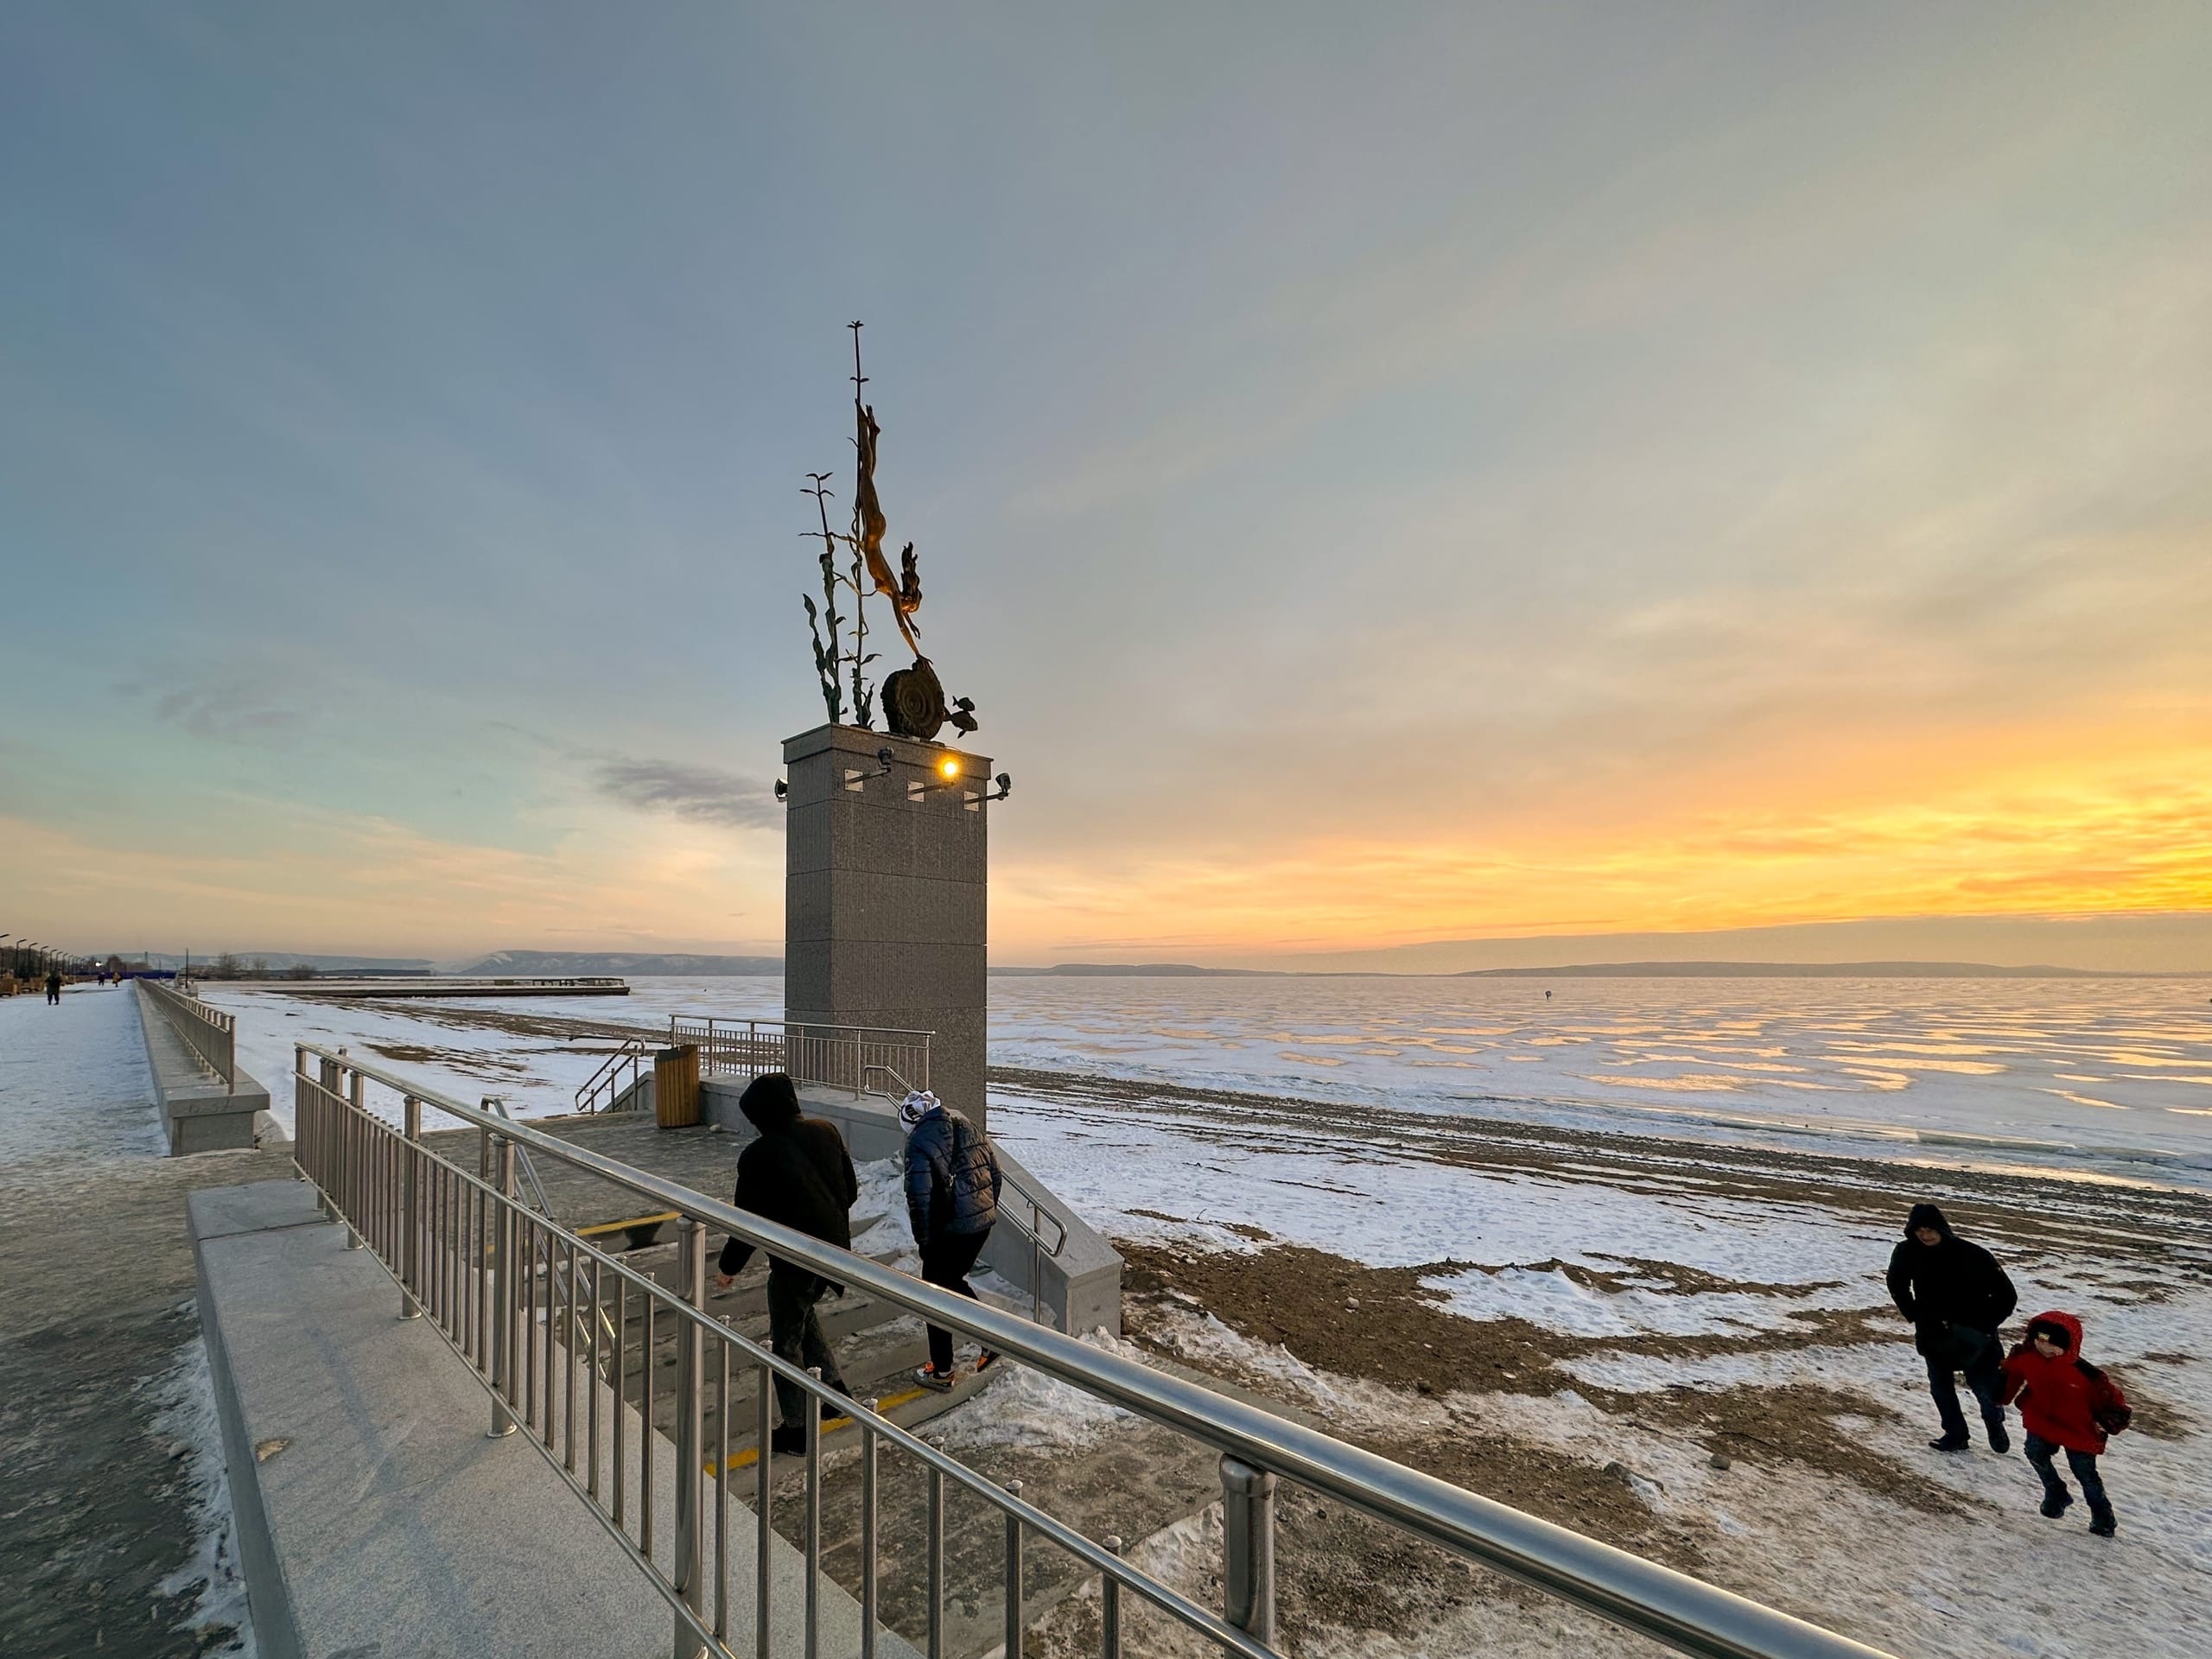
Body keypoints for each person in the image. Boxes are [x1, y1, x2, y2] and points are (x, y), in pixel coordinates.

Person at [711, 1073, 858, 1455]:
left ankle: (797, 1429)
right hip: (833, 1252)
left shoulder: (759, 1156)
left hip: (795, 1259)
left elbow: (749, 1222)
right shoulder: (826, 1131)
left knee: (786, 1342)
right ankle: (834, 1394)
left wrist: (729, 1267)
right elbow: (851, 1191)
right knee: (802, 1314)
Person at [1886, 1201, 2017, 1452]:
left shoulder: (1971, 1253)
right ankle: (1955, 1434)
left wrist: (1985, 1325)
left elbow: (2006, 1295)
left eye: (1930, 1229)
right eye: (1919, 1230)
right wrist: (1912, 1312)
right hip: (1933, 1332)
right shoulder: (1906, 1252)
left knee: (1985, 1389)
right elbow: (1896, 1282)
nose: (1925, 1235)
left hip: (1976, 1334)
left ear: (1942, 1228)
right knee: (1940, 1386)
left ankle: (1994, 1423)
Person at [900, 1089, 1004, 1391]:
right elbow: (995, 1176)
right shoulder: (967, 1126)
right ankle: (989, 1339)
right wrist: (982, 1212)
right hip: (979, 1225)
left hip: (948, 1231)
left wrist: (924, 1242)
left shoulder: (918, 1142)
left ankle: (943, 1371)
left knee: (934, 1294)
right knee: (952, 1283)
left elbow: (919, 1199)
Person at [2000, 1311, 2130, 1536]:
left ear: (2068, 1345)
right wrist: (1999, 1393)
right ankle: (2055, 1490)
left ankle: (2103, 1517)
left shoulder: (2086, 1375)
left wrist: (2110, 1421)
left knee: (2085, 1474)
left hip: (2079, 1429)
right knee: (2034, 1452)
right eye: (2039, 1341)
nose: (2045, 1348)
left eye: (2052, 1345)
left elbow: (2112, 1400)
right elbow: (2011, 1377)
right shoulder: (2027, 1358)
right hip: (2041, 1420)